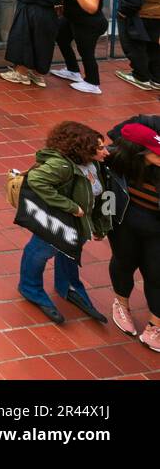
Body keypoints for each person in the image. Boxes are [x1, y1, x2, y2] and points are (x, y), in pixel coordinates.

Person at [18, 121, 111, 324]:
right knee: (42, 250)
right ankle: (30, 287)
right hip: (56, 219)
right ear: (83, 149)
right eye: (100, 148)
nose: (106, 152)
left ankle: (68, 285)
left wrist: (101, 225)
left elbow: (102, 194)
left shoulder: (94, 162)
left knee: (70, 249)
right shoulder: (61, 165)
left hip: (79, 221)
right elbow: (36, 180)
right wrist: (70, 206)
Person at [103, 118, 160, 351]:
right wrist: (104, 221)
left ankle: (155, 326)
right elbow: (105, 192)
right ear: (138, 152)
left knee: (157, 274)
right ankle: (121, 304)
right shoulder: (115, 161)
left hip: (156, 230)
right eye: (154, 152)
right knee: (123, 263)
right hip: (123, 224)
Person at [1, 0, 62, 87]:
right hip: (48, 15)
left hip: (29, 13)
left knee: (24, 40)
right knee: (43, 44)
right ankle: (38, 75)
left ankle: (21, 73)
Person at [50, 0, 108, 95]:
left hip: (89, 24)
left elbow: (91, 9)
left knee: (86, 51)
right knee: (61, 38)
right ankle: (73, 70)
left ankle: (92, 83)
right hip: (72, 20)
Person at [116, 0, 160, 91]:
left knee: (134, 47)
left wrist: (123, 13)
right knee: (154, 47)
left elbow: (132, 1)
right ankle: (157, 78)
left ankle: (141, 77)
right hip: (156, 17)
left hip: (136, 18)